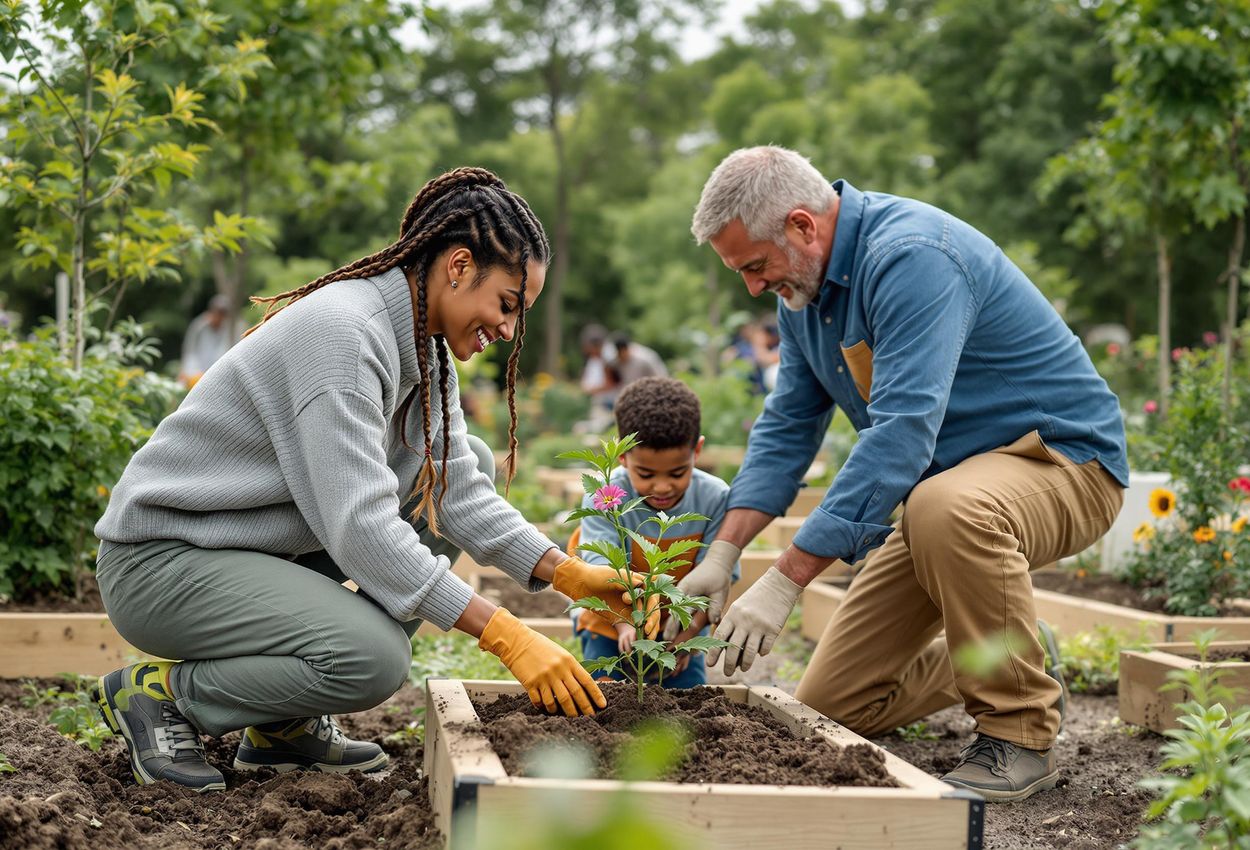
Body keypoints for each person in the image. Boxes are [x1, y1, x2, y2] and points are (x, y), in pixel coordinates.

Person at [90, 167, 654, 793]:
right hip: (167, 562)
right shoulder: (342, 334)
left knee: (467, 458)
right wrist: (505, 634)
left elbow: (456, 493)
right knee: (372, 658)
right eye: (508, 304)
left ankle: (283, 727)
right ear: (458, 266)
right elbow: (360, 527)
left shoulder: (425, 348)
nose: (509, 329)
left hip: (255, 552)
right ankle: (162, 696)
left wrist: (565, 574)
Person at [672, 146, 1126, 801]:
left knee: (944, 506)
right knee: (830, 705)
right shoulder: (804, 296)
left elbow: (903, 432)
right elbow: (788, 427)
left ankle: (1019, 734)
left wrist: (785, 581)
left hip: (1062, 464)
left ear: (802, 225)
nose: (752, 286)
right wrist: (723, 553)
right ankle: (1018, 647)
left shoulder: (913, 256)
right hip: (944, 500)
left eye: (754, 266)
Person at [572, 377, 737, 688]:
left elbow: (713, 585)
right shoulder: (607, 494)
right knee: (604, 691)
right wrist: (623, 625)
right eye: (645, 474)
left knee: (687, 698)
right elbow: (598, 570)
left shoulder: (714, 498)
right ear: (622, 456)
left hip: (679, 627)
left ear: (697, 451)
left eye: (677, 473)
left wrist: (687, 639)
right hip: (611, 623)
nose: (662, 487)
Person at [178, 294, 239, 388]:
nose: (219, 317)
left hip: (216, 377)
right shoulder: (198, 326)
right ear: (211, 311)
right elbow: (189, 351)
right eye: (218, 313)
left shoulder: (229, 331)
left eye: (223, 314)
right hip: (195, 373)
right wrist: (185, 371)